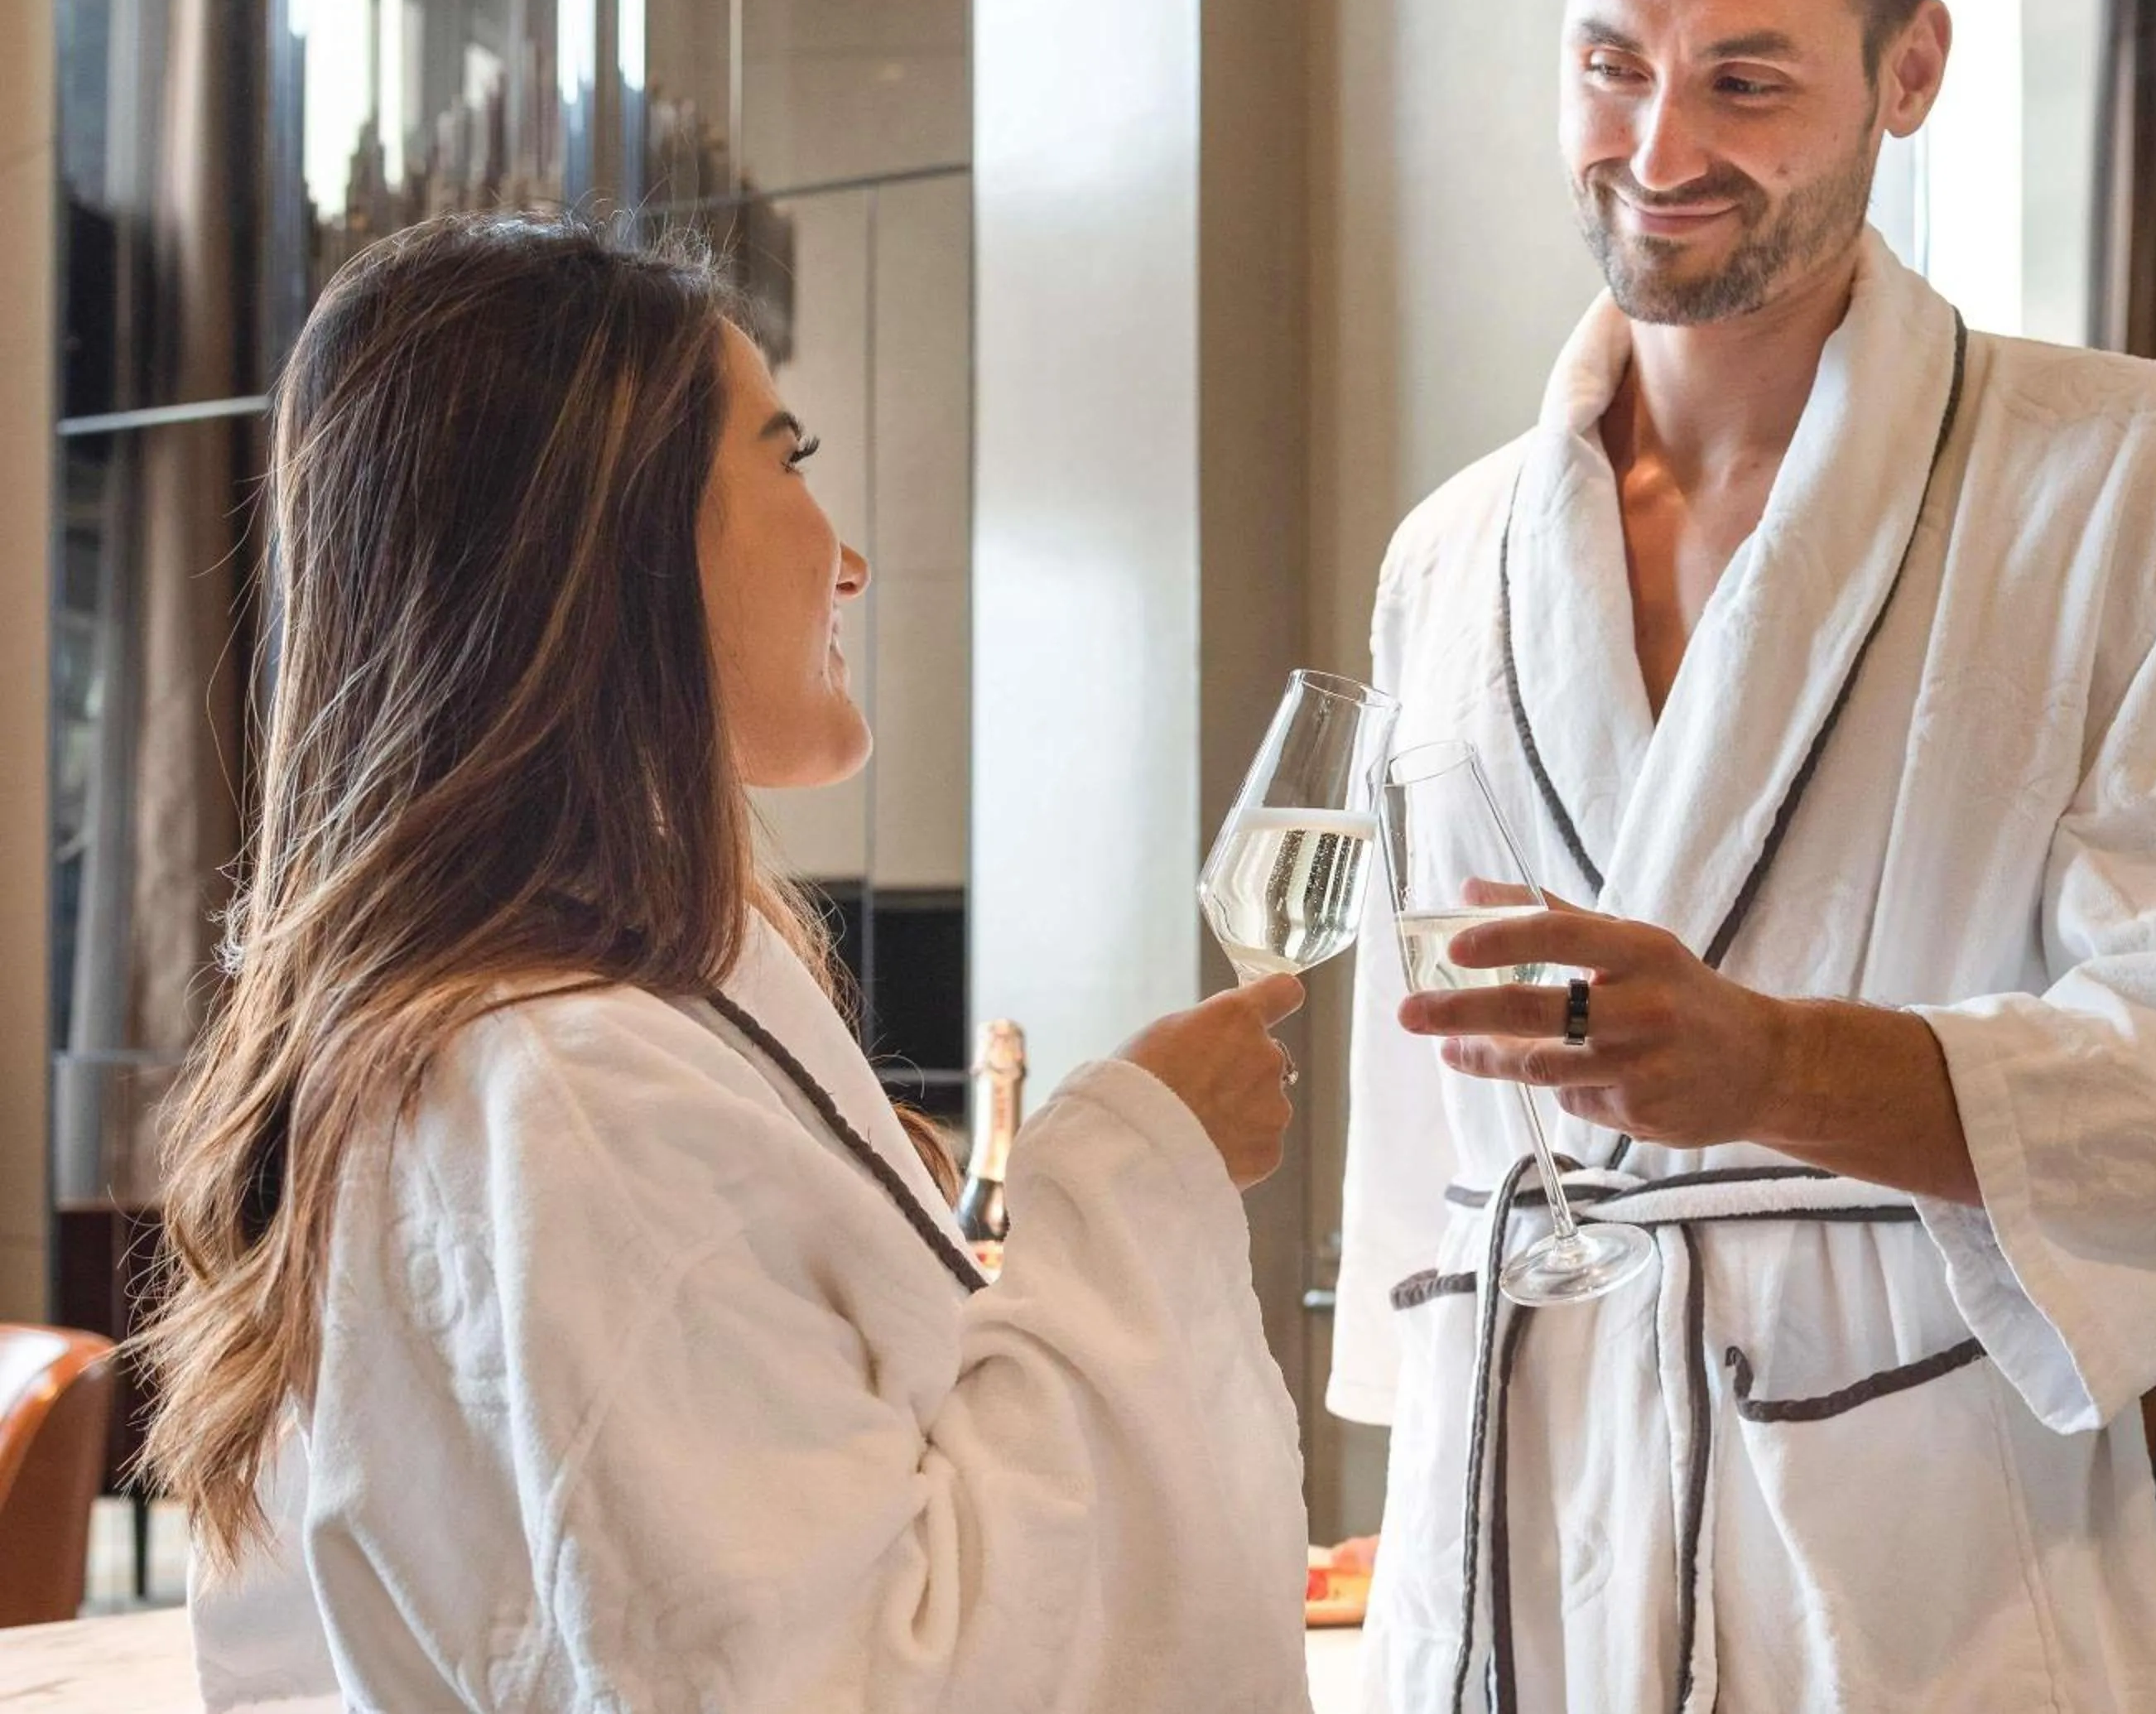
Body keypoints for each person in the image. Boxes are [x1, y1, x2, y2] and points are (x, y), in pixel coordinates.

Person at [1331, 0, 2156, 1709]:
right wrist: (1409, 1457)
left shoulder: (2148, 488)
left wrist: (1773, 1066)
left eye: (1745, 81)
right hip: (1512, 1531)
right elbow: (1422, 1135)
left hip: (1915, 1559)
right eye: (1610, 63)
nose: (1658, 141)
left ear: (1908, 71)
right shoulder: (1454, 557)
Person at [142, 214, 1317, 1712]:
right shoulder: (568, 1082)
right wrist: (1138, 1162)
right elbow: (840, 1674)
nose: (853, 558)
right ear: (615, 535)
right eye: (790, 454)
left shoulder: (581, 1022)